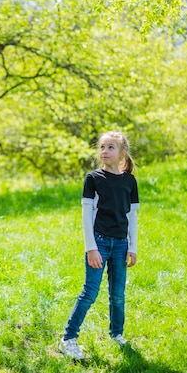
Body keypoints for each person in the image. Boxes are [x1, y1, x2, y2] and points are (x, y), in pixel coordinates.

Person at [61, 131, 140, 359]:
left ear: (122, 153)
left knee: (118, 294)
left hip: (121, 245)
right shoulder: (93, 179)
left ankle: (117, 334)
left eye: (111, 147)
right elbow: (86, 215)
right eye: (102, 147)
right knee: (90, 292)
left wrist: (132, 247)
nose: (104, 151)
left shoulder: (129, 181)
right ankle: (68, 338)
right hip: (100, 242)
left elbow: (132, 216)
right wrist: (91, 247)